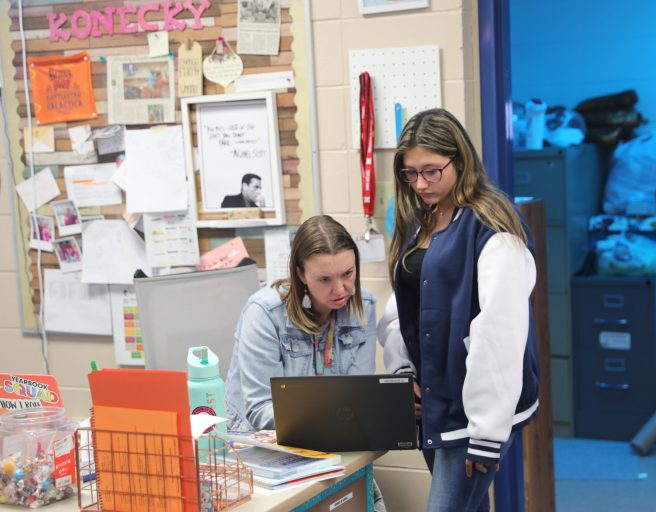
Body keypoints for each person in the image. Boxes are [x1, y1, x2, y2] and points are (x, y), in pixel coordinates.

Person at [377, 108, 539, 511]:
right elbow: (402, 305)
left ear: (460, 161)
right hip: (436, 401)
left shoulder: (492, 226)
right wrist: (403, 372)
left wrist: (487, 432)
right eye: (410, 174)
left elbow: (499, 332)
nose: (421, 183)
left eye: (432, 171)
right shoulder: (423, 219)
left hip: (476, 412)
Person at [224, 214, 386, 509]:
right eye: (324, 279)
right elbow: (261, 409)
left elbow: (359, 394)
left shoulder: (365, 306)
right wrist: (339, 418)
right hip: (261, 453)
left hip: (326, 448)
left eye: (348, 274)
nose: (340, 290)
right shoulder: (265, 313)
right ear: (301, 274)